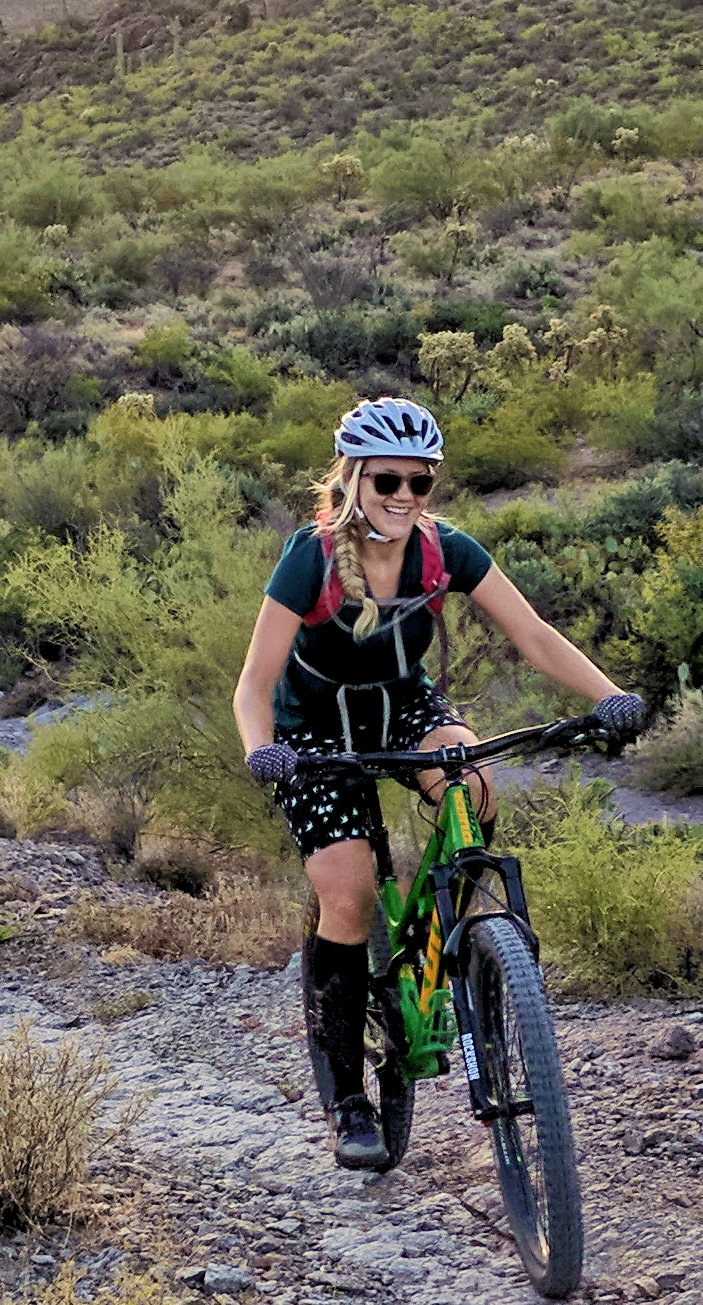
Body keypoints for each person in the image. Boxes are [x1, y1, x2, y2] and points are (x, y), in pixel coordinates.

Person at [233, 399, 646, 1170]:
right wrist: (263, 752)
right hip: (312, 733)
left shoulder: (443, 550)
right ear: (353, 478)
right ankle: (349, 1098)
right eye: (387, 479)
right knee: (349, 895)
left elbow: (532, 635)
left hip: (404, 709)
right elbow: (253, 685)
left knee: (476, 787)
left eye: (419, 482)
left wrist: (606, 697)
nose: (403, 495)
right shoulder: (311, 558)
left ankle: (455, 943)